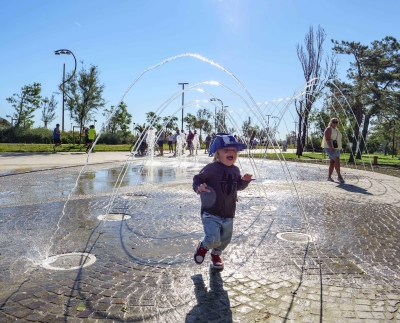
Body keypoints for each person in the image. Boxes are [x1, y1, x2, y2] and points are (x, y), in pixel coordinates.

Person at [192, 134, 254, 270]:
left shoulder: (235, 170)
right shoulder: (211, 168)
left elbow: (236, 187)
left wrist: (244, 181)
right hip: (211, 211)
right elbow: (197, 179)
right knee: (213, 238)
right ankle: (203, 246)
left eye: (233, 150)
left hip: (228, 212)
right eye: (226, 150)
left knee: (225, 239)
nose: (231, 152)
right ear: (217, 153)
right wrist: (199, 187)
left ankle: (216, 254)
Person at [322, 117, 345, 183]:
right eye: (333, 122)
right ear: (331, 122)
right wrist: (331, 148)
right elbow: (327, 139)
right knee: (337, 160)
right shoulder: (329, 129)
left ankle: (329, 177)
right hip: (330, 147)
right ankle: (339, 176)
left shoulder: (336, 130)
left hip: (336, 148)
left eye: (336, 122)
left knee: (332, 162)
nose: (335, 123)